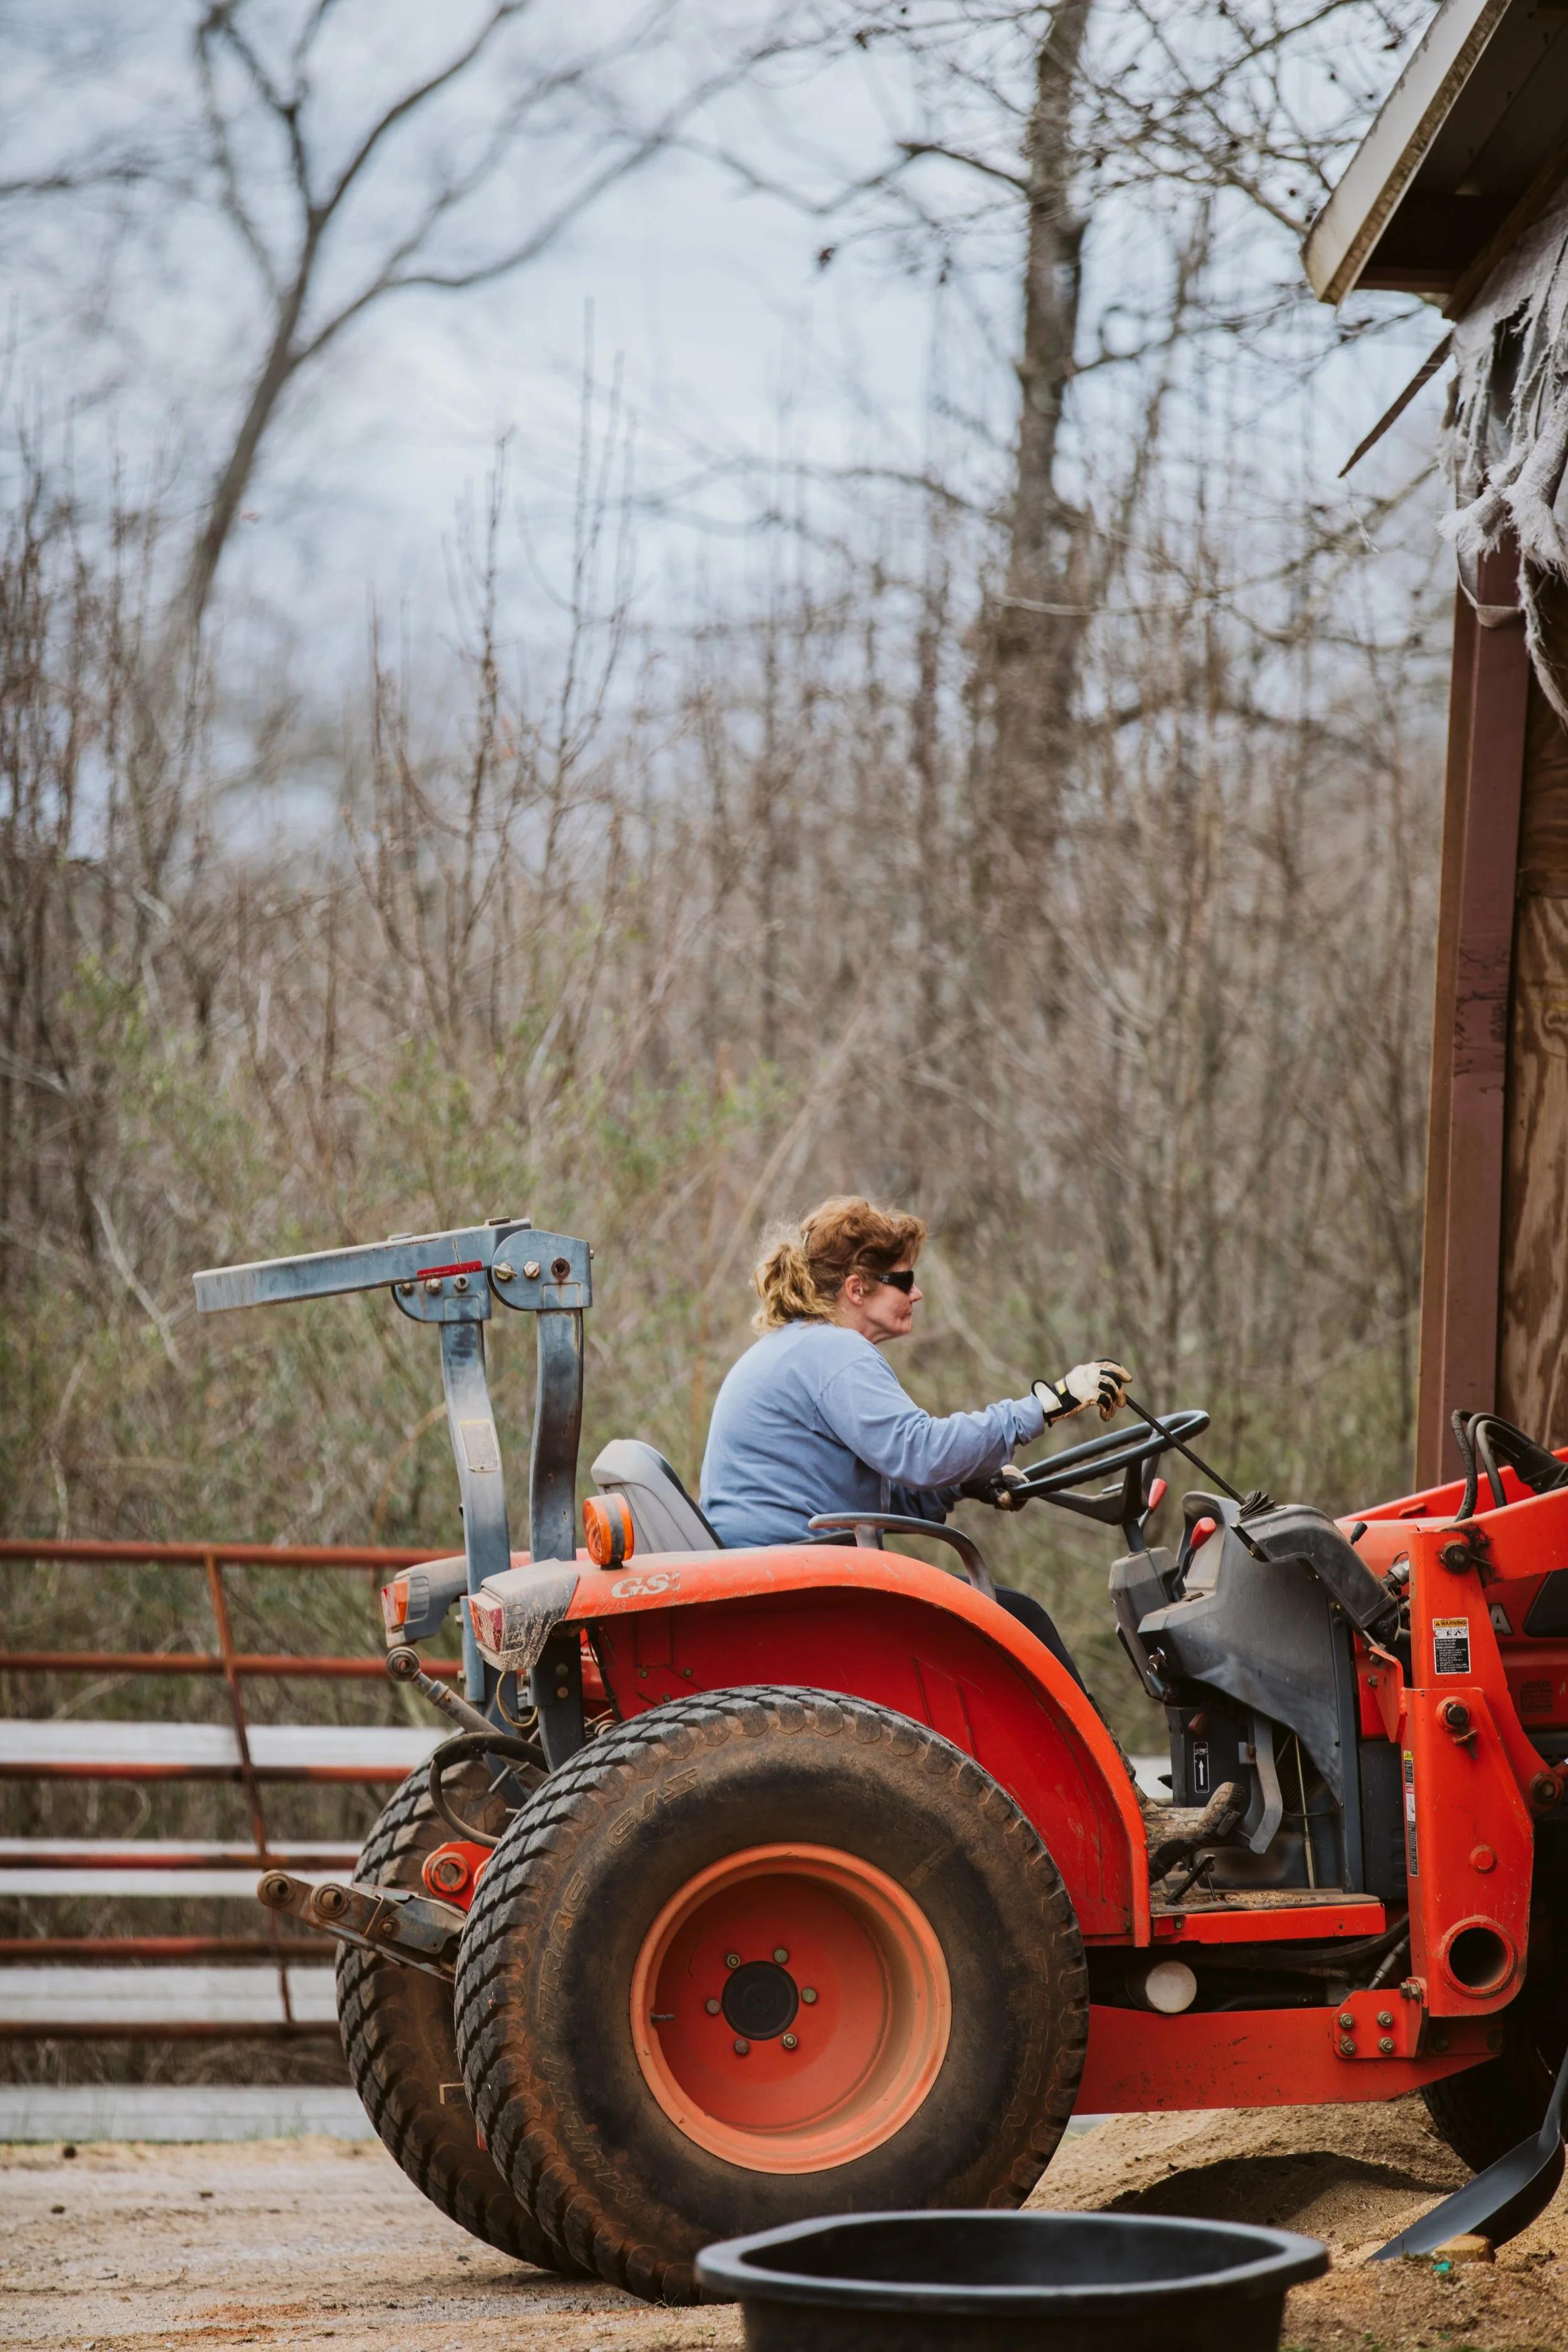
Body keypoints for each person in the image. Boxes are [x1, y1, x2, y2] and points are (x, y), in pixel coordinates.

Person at [699, 1195, 1130, 1685]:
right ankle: (1092, 1761)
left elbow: (874, 1489)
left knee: (1009, 1615)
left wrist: (966, 1482)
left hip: (785, 1576)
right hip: (805, 1589)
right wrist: (1048, 1404)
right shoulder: (834, 1351)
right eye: (903, 1280)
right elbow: (920, 1452)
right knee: (1020, 1621)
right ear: (857, 1289)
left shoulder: (795, 1347)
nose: (917, 1293)